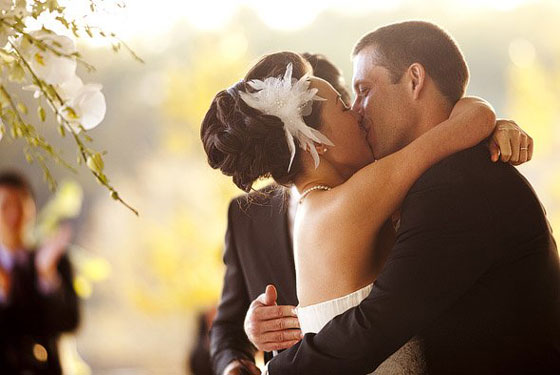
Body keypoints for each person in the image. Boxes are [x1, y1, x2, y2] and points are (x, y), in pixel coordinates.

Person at [259, 22, 557, 374]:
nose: (356, 109)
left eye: (364, 89)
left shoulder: (457, 185)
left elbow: (375, 324)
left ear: (415, 80)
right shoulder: (433, 175)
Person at [209, 52, 353, 375]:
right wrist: (239, 354)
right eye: (344, 107)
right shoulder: (246, 216)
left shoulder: (380, 188)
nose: (357, 115)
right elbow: (225, 329)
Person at [0, 171, 80, 375]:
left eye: (20, 205)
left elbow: (71, 321)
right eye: (5, 205)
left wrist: (47, 277)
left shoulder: (53, 261)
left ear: (32, 209)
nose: (13, 215)